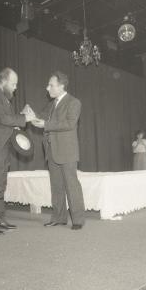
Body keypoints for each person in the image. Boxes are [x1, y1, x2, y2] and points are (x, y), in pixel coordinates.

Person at [0, 67, 35, 235]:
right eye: (13, 83)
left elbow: (7, 122)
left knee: (1, 183)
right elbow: (4, 119)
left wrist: (21, 115)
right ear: (3, 81)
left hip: (3, 147)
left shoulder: (3, 98)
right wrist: (26, 118)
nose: (15, 87)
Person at [31, 71, 85, 230]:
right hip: (51, 150)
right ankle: (59, 218)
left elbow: (69, 124)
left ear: (61, 86)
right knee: (56, 186)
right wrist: (30, 115)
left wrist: (45, 124)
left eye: (51, 85)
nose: (47, 88)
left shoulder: (74, 102)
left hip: (67, 151)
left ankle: (78, 220)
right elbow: (41, 117)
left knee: (71, 185)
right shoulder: (51, 104)